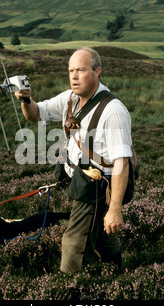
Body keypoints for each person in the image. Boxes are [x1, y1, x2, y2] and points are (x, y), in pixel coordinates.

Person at [14, 47, 133, 273]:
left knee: (72, 242)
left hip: (96, 187)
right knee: (98, 233)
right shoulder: (69, 98)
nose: (74, 76)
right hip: (78, 179)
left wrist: (115, 209)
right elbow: (35, 114)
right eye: (70, 70)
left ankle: (71, 288)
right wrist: (26, 99)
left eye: (81, 70)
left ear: (97, 71)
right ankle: (117, 271)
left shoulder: (113, 111)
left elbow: (121, 163)